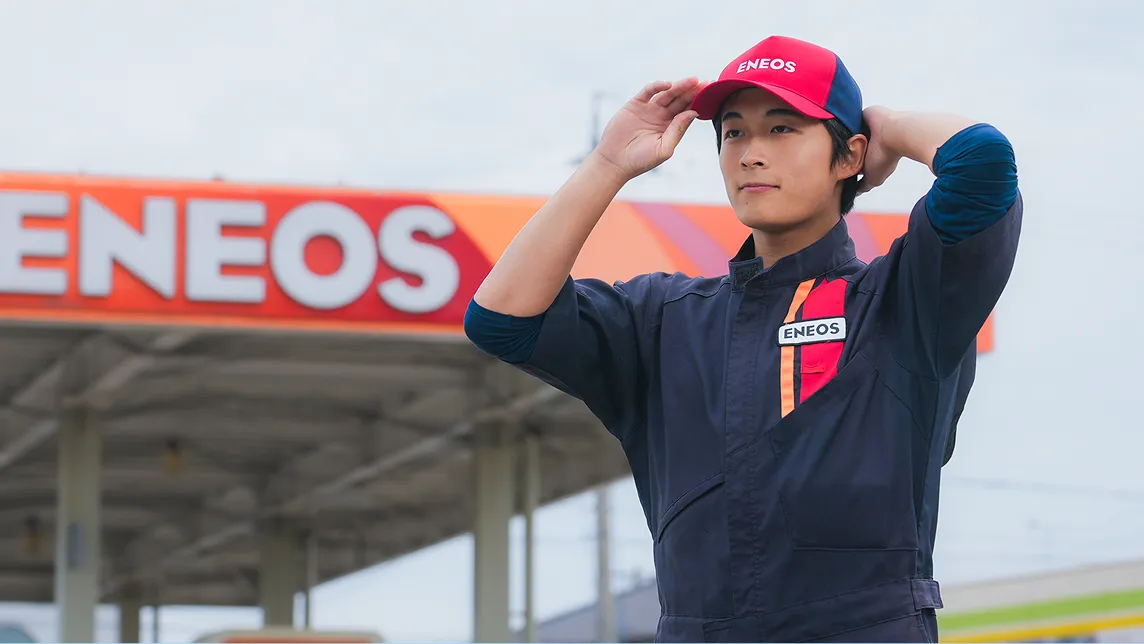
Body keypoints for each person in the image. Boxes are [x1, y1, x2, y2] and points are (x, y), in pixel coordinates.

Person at [464, 34, 1020, 643]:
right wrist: (607, 165)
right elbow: (502, 318)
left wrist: (888, 125)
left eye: (782, 129)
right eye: (734, 133)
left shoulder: (901, 301)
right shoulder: (663, 319)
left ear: (848, 155)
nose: (751, 154)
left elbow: (982, 163)